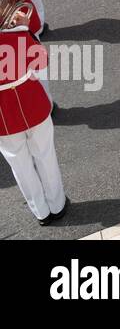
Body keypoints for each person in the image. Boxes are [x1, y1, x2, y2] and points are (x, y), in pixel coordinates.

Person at [0, 12, 67, 225]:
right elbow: (41, 62)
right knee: (45, 154)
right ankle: (57, 205)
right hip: (32, 102)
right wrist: (27, 30)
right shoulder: (16, 33)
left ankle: (41, 211)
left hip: (3, 116)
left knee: (19, 164)